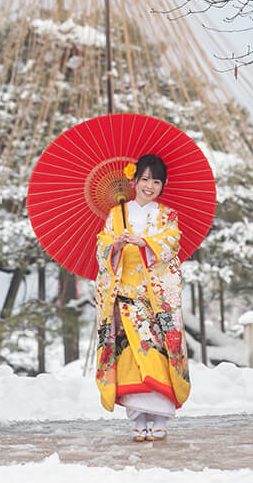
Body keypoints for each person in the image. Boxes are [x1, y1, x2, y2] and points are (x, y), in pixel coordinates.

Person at [93, 153, 190, 441]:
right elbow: (102, 247)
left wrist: (146, 242)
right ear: (133, 181)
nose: (149, 186)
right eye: (144, 179)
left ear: (163, 185)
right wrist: (116, 244)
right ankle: (138, 420)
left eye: (156, 181)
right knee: (131, 360)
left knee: (157, 359)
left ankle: (159, 418)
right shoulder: (116, 215)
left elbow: (172, 241)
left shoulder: (167, 215)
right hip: (124, 299)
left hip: (155, 301)